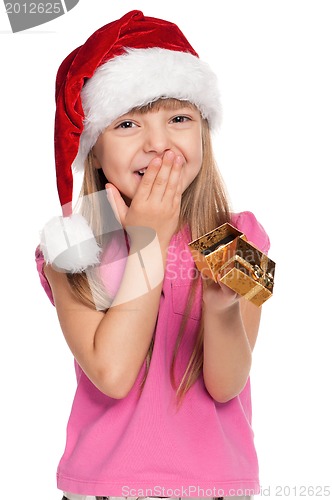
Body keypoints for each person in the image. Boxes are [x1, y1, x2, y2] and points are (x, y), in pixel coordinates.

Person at [35, 10, 271, 500]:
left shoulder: (238, 235)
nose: (159, 143)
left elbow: (227, 385)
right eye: (127, 123)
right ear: (93, 150)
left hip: (216, 489)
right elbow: (112, 374)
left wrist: (224, 307)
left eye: (179, 118)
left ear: (202, 131)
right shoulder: (71, 248)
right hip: (102, 490)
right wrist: (149, 239)